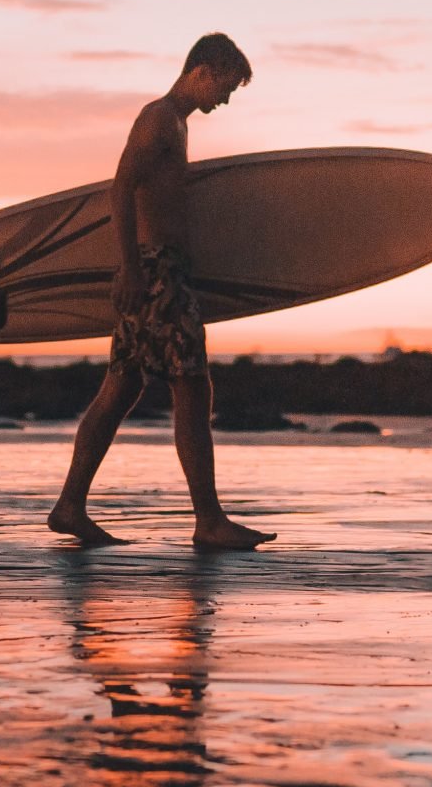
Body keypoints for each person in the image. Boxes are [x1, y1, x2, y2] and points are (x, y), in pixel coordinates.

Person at [49, 33, 276, 551]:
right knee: (192, 387)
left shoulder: (174, 123)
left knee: (123, 387)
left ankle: (70, 505)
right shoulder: (158, 119)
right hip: (156, 274)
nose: (224, 100)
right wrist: (130, 268)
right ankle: (210, 521)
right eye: (226, 86)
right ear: (203, 69)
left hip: (160, 270)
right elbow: (120, 187)